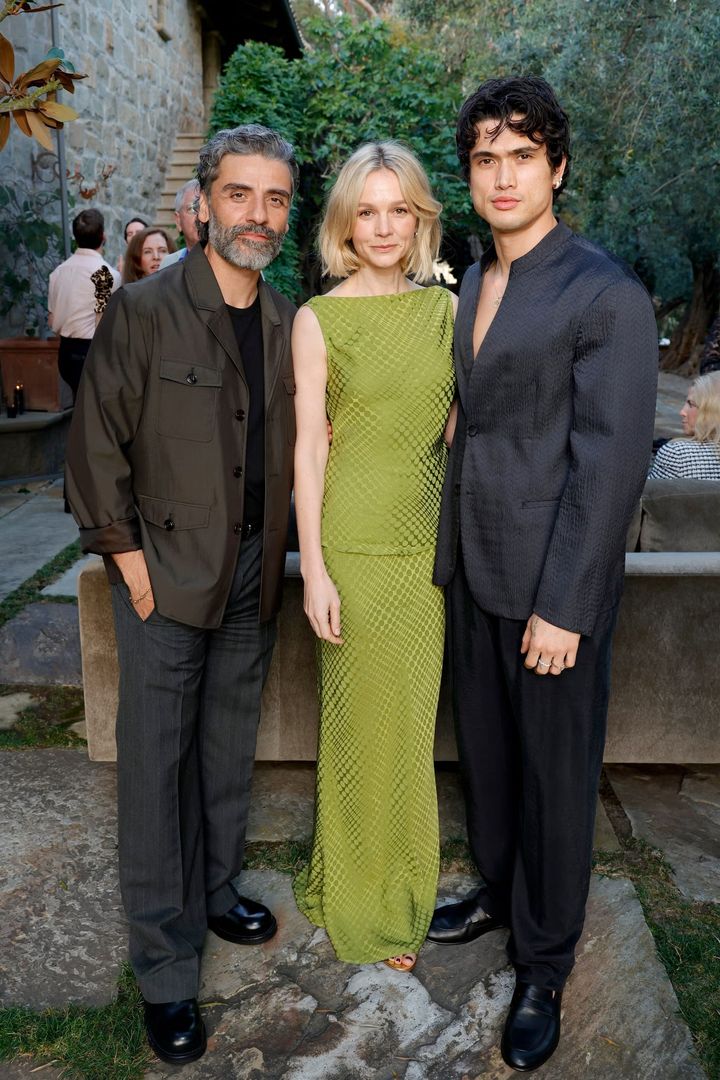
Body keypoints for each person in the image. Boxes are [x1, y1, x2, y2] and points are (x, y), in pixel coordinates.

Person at [428, 76, 659, 1071]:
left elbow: (609, 466)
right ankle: (498, 888)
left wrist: (564, 607)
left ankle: (546, 961)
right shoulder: (477, 277)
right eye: (486, 158)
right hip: (475, 566)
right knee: (487, 756)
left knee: (557, 781)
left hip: (552, 587)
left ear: (557, 168)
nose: (503, 175)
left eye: (523, 156)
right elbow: (480, 417)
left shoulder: (605, 292)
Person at [65, 124, 298, 1066]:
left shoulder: (286, 320)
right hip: (161, 571)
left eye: (275, 198)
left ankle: (215, 889)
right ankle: (166, 970)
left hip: (252, 573)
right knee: (157, 768)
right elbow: (95, 444)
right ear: (204, 202)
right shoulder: (146, 308)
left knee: (225, 745)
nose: (258, 214)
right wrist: (128, 565)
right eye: (240, 194)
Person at [292, 142, 457, 973]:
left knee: (410, 731)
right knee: (358, 727)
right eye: (368, 211)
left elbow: (462, 425)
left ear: (420, 218)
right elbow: (309, 451)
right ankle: (362, 895)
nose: (385, 227)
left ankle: (400, 887)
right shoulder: (318, 319)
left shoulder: (447, 312)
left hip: (425, 556)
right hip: (352, 550)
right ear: (345, 223)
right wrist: (315, 572)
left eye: (400, 210)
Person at [48, 208, 120, 403]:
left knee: (80, 407)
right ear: (103, 236)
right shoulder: (105, 274)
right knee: (91, 411)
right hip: (90, 352)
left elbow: (51, 320)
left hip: (65, 353)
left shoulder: (58, 272)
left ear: (75, 236)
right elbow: (103, 322)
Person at [649, 372, 720, 478]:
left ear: (713, 411)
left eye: (691, 404)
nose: (682, 412)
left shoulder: (677, 455)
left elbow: (646, 489)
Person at [160, 180, 201, 268]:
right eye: (192, 209)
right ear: (178, 220)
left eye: (208, 208)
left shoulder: (231, 262)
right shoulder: (168, 265)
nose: (201, 216)